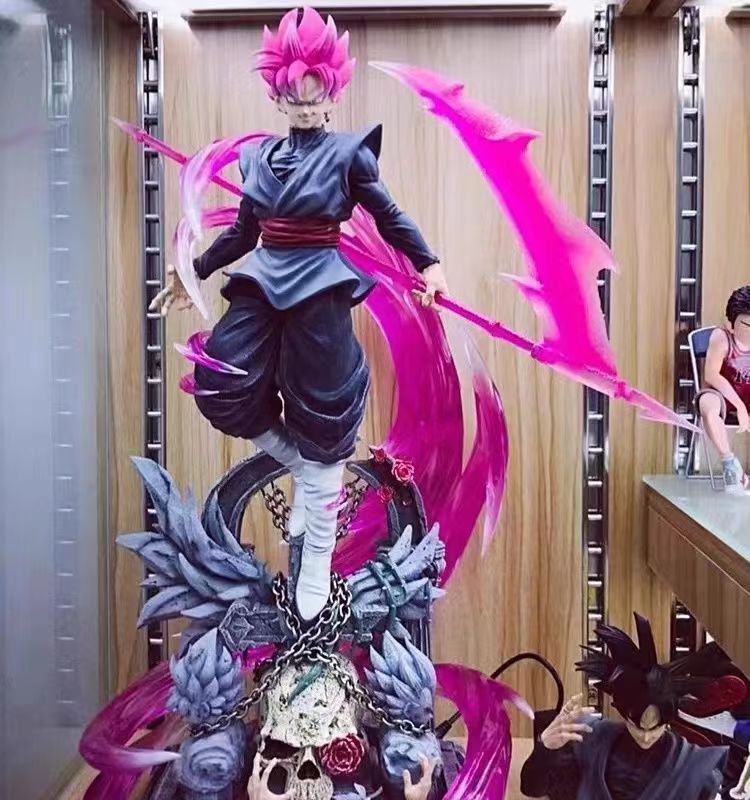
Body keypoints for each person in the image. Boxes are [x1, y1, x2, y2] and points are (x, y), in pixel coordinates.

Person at [148, 7, 448, 623]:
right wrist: (195, 269)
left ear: (332, 93)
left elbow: (389, 216)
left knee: (325, 411)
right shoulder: (260, 158)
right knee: (219, 378)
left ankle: (316, 555)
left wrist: (430, 264)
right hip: (265, 277)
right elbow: (243, 233)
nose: (304, 107)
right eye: (293, 97)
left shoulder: (348, 155)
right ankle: (302, 468)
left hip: (320, 284)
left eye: (314, 97)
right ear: (277, 94)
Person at [520, 614, 728, 800]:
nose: (646, 737)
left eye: (655, 728)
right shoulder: (592, 740)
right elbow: (531, 788)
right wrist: (545, 747)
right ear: (624, 714)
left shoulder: (691, 767)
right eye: (638, 727)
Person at [696, 285, 750, 492]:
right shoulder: (721, 337)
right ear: (731, 325)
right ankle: (730, 466)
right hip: (722, 397)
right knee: (707, 405)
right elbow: (711, 375)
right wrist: (740, 406)